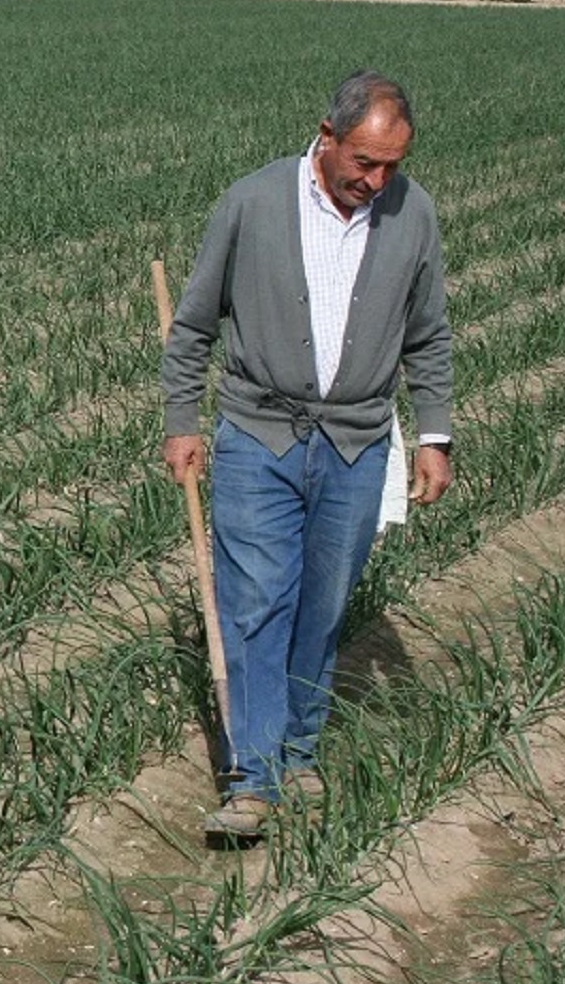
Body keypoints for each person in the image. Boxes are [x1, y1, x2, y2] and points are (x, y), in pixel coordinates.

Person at [159, 70, 454, 843]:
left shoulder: (413, 213)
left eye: (391, 165)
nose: (376, 180)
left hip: (357, 442)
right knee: (259, 600)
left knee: (322, 606)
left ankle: (298, 749)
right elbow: (194, 325)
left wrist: (434, 435)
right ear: (327, 136)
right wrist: (182, 420)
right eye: (365, 161)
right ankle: (253, 778)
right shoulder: (252, 202)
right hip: (259, 433)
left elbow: (429, 335)